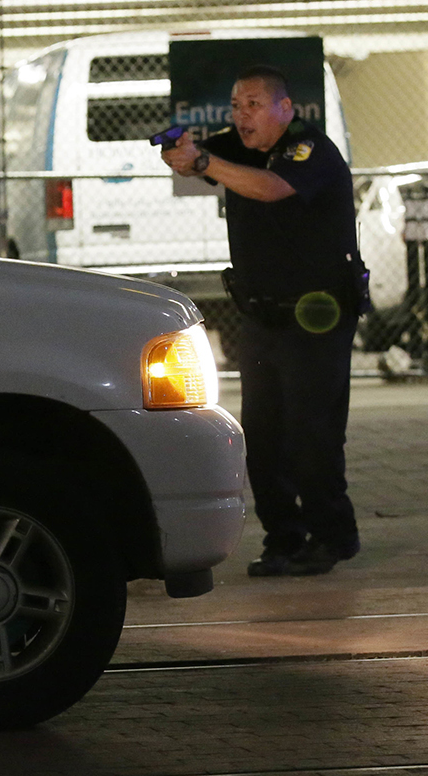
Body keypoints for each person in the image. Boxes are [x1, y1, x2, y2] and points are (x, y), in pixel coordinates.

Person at [161, 65, 366, 577]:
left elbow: (272, 188)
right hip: (262, 316)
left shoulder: (309, 150)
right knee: (264, 437)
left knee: (311, 433)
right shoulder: (233, 144)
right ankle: (284, 538)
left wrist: (205, 160)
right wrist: (183, 154)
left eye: (253, 104)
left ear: (285, 108)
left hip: (316, 317)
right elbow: (196, 161)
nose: (241, 115)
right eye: (235, 105)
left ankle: (331, 535)